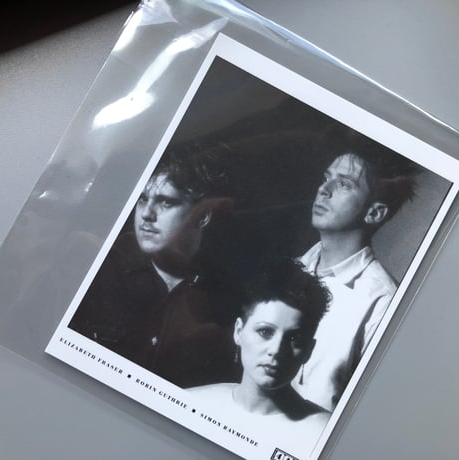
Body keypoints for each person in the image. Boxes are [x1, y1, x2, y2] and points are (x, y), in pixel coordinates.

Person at [69, 144, 238, 386]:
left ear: (202, 216)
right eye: (142, 199)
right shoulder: (96, 267)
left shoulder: (225, 300)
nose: (146, 214)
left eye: (166, 202)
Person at [293, 127, 420, 410]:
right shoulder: (291, 270)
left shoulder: (383, 303)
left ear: (374, 213)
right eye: (326, 178)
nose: (323, 190)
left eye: (344, 184)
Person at [190, 259, 331, 457]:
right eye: (265, 331)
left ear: (308, 350)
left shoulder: (323, 434)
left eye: (294, 338)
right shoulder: (193, 401)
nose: (276, 350)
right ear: (238, 332)